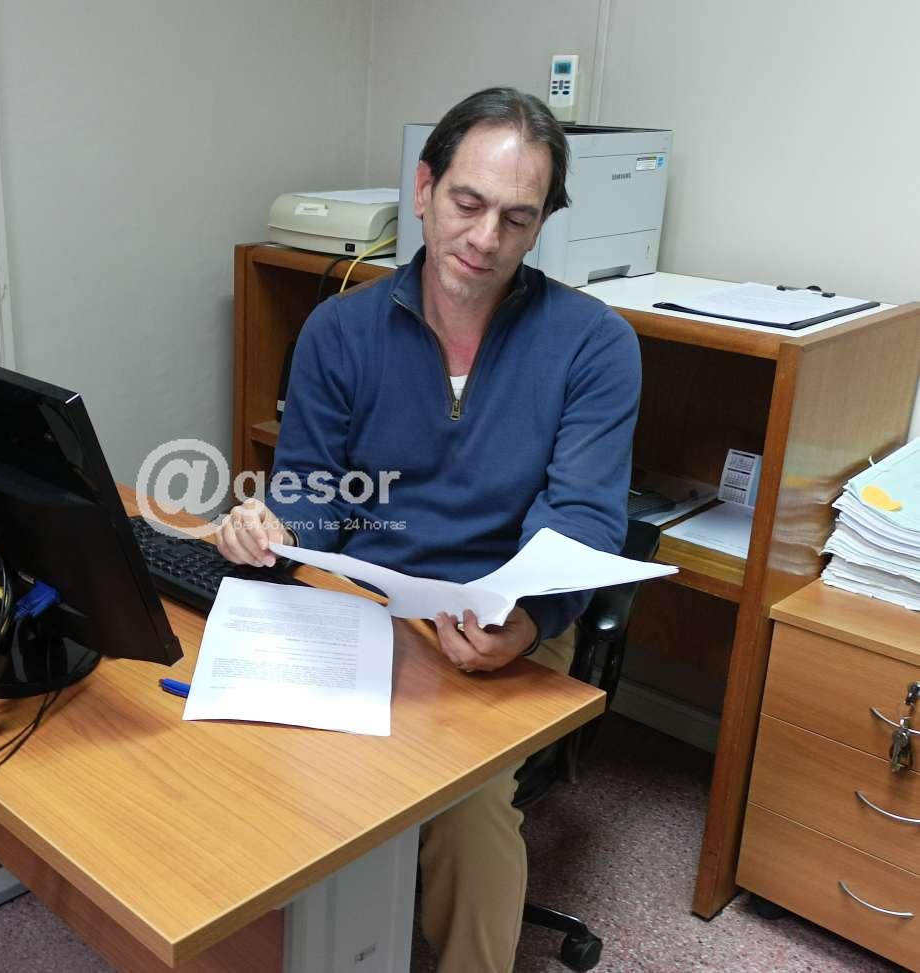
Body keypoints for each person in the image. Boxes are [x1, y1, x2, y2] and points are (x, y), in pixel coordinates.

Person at [216, 87, 640, 972]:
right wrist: (270, 524)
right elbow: (314, 490)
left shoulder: (593, 343)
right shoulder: (340, 329)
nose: (485, 238)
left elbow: (585, 517)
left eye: (517, 218)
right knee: (242, 737)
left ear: (541, 224)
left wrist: (528, 620)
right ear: (423, 188)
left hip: (504, 620)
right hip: (363, 603)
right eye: (467, 203)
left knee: (465, 802)